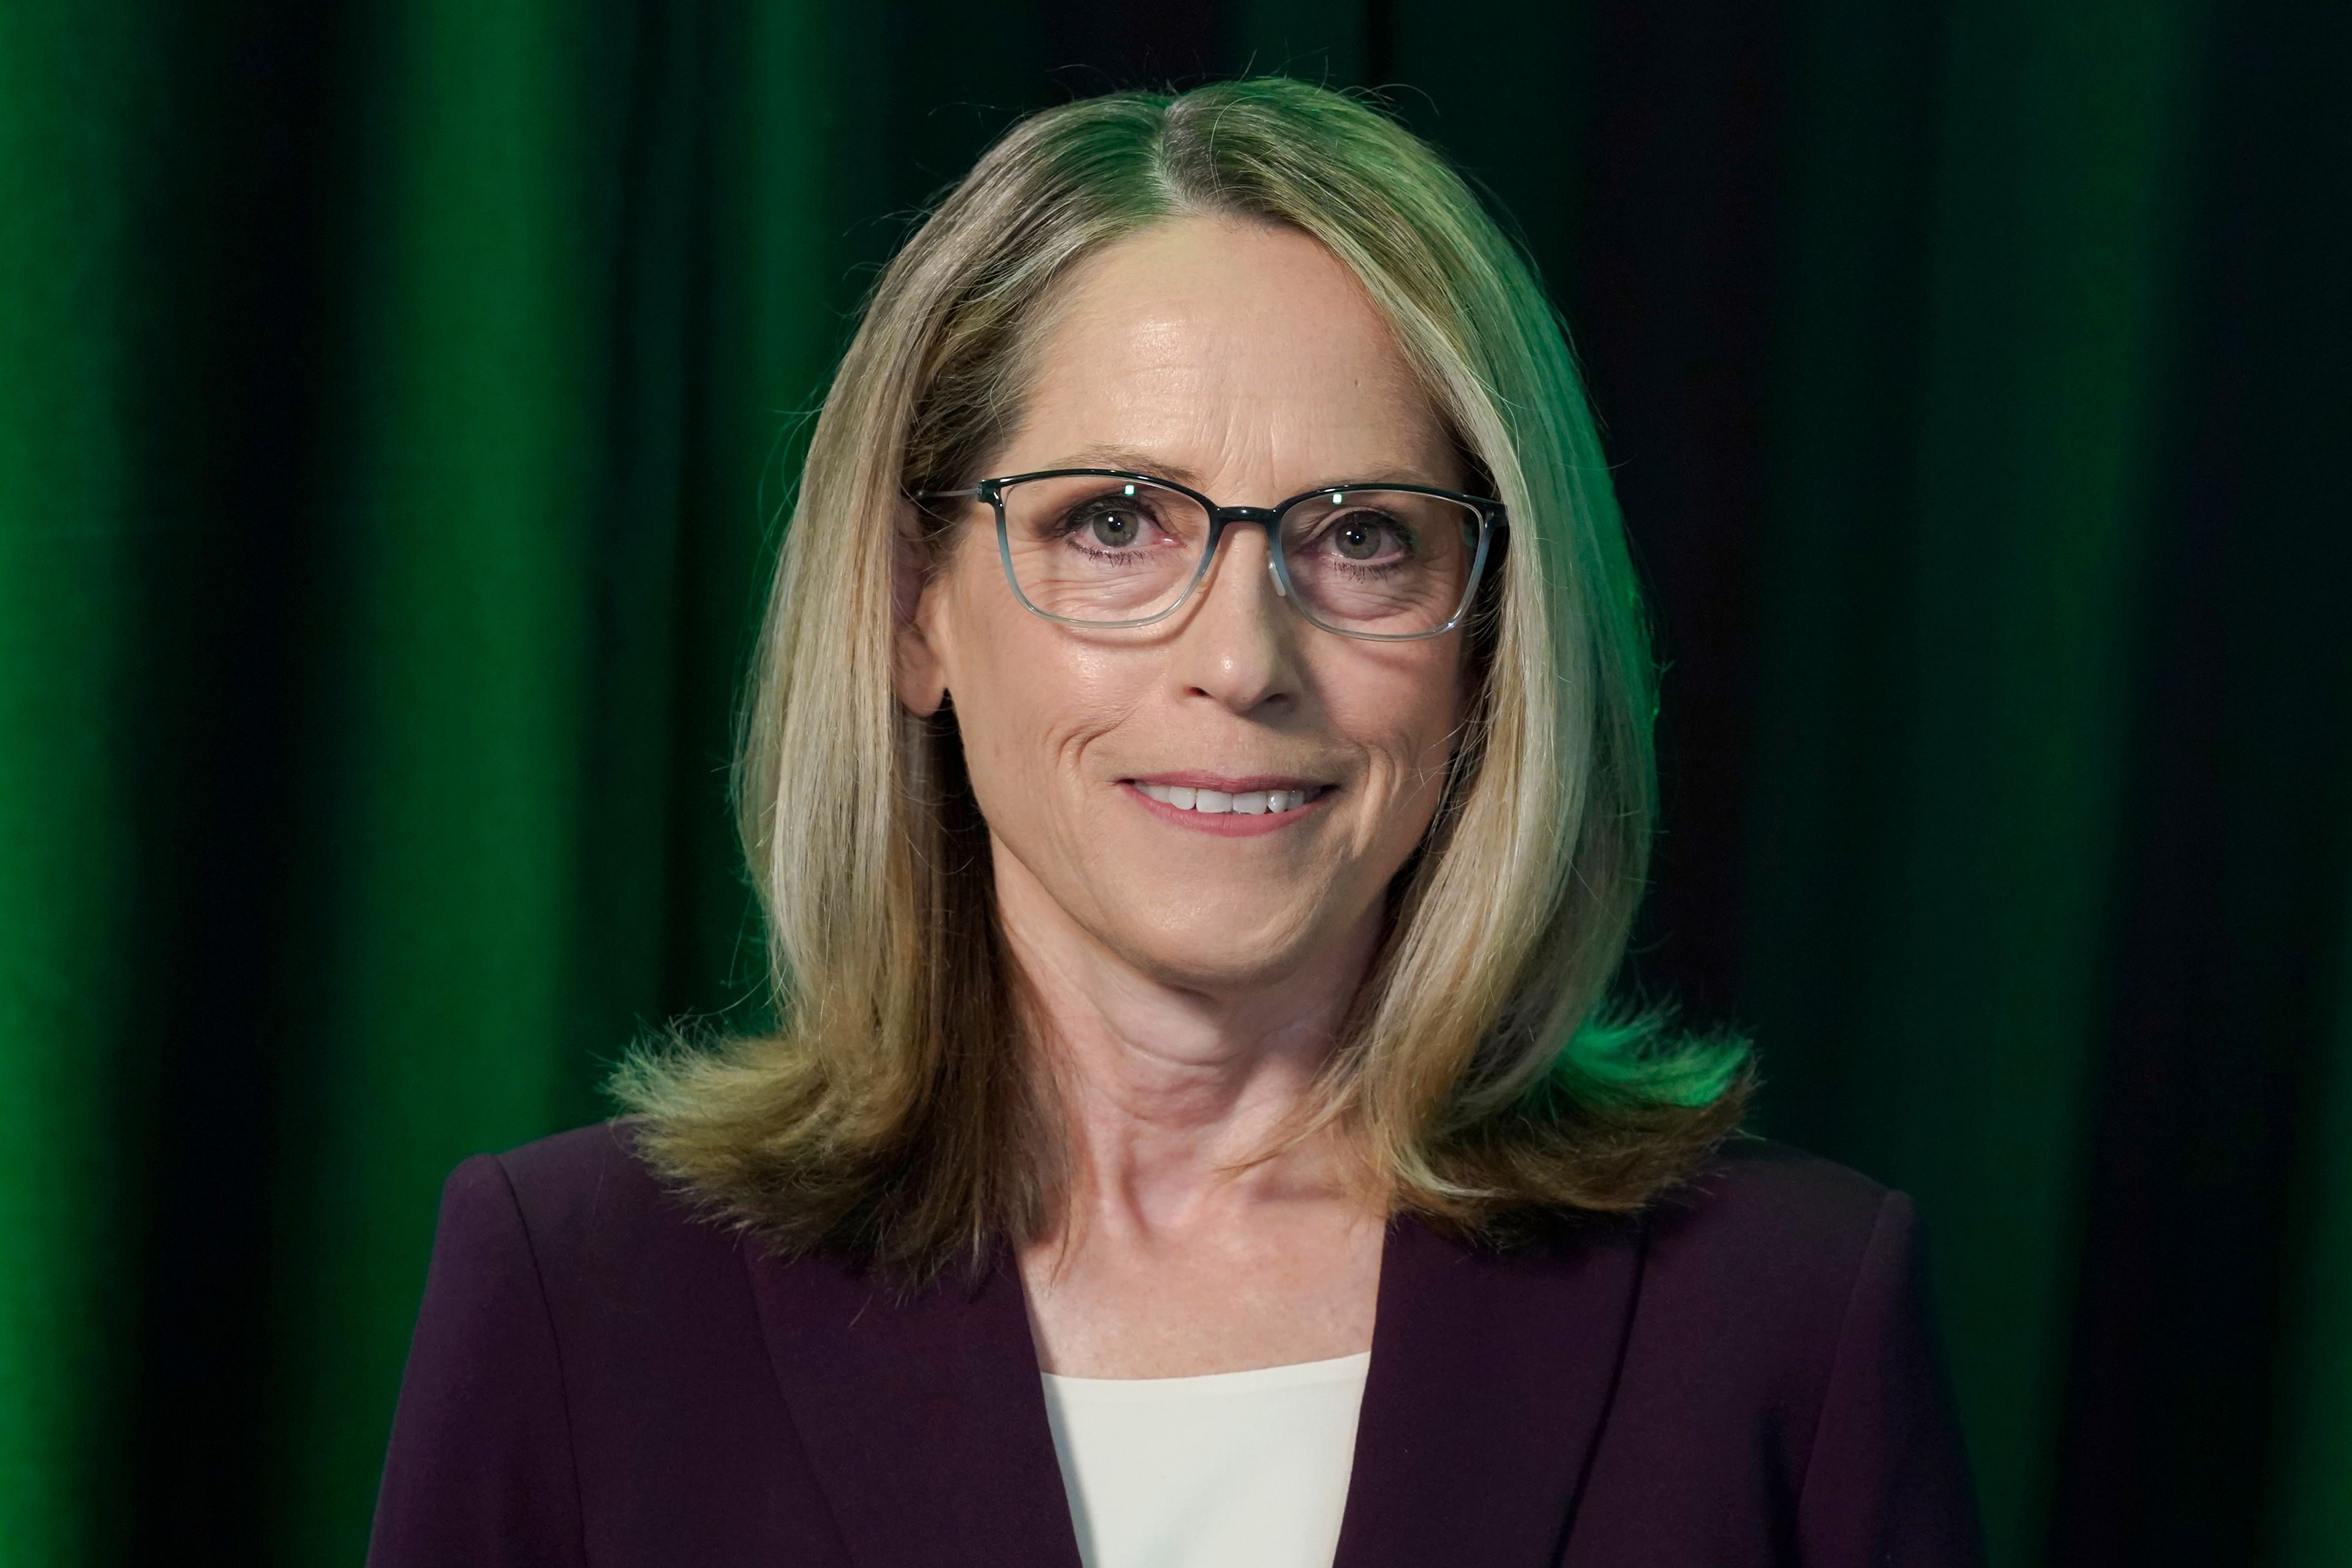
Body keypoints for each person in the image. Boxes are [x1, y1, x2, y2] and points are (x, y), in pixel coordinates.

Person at [366, 77, 1986, 1567]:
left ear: (1497, 646)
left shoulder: (1789, 1321)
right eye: (1118, 522)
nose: (1239, 660)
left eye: (1364, 538)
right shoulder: (580, 1296)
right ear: (914, 607)